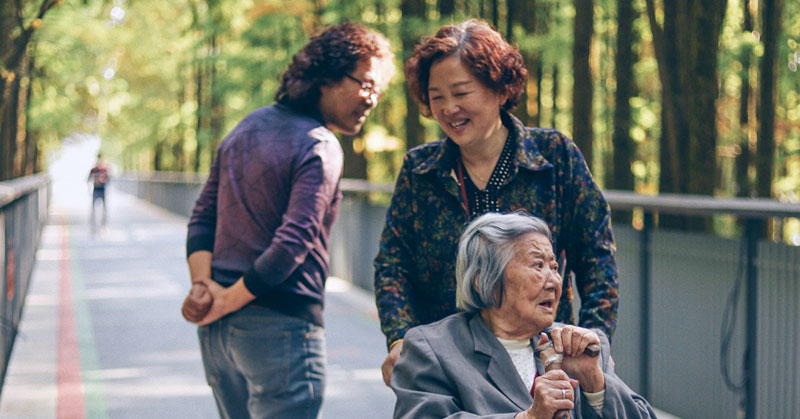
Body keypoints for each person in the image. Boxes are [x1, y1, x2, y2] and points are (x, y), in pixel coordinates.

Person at [375, 19, 619, 386]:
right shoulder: (419, 171)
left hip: (543, 362)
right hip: (447, 366)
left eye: (461, 92)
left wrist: (592, 341)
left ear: (500, 89)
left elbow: (597, 258)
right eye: (436, 96)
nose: (448, 108)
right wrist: (400, 338)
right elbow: (393, 264)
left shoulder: (555, 157)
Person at [183, 22, 394, 419]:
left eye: (377, 91)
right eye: (365, 84)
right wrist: (224, 299)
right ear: (327, 75)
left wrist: (203, 289)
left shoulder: (243, 129)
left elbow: (201, 218)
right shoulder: (319, 145)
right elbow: (292, 243)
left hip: (219, 335)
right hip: (280, 330)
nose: (371, 99)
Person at [391, 212, 654, 418]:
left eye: (554, 267)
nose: (554, 281)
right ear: (486, 281)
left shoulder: (582, 348)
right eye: (538, 265)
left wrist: (595, 384)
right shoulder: (433, 350)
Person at [87, 153, 109, 234]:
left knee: (104, 209)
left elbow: (108, 179)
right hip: (95, 190)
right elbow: (89, 179)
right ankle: (92, 227)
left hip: (102, 190)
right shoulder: (94, 170)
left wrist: (103, 180)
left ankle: (103, 227)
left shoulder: (105, 170)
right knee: (93, 210)